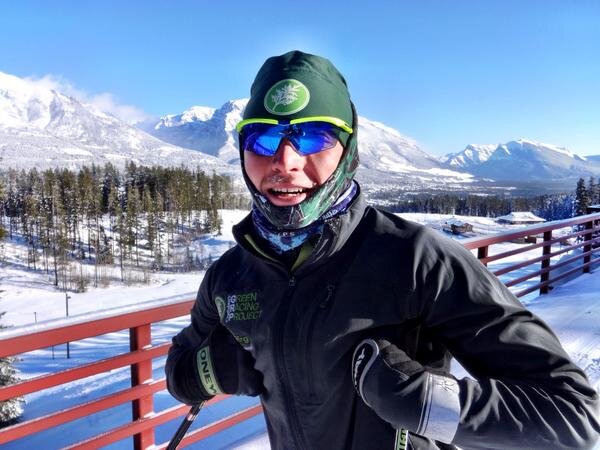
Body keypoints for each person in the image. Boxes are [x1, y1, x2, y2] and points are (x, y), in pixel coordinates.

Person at [165, 50, 599, 450]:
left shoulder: (417, 260)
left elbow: (576, 417)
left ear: (348, 150)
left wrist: (427, 404)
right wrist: (208, 369)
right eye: (262, 138)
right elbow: (178, 369)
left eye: (313, 138)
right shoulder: (231, 275)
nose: (285, 161)